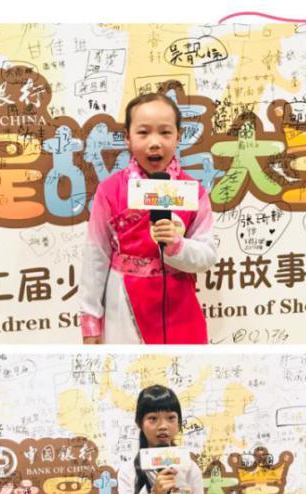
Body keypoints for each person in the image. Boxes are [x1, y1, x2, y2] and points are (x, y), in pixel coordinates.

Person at [81, 92, 217, 345]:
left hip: (180, 306)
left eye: (165, 132)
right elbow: (95, 255)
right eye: (143, 133)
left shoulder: (192, 191)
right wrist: (91, 322)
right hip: (123, 306)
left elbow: (207, 255)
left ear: (178, 136)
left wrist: (177, 245)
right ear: (128, 138)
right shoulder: (110, 190)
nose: (155, 143)